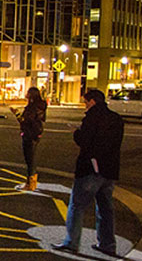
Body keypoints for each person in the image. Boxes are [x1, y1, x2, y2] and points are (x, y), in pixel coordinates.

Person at [53, 90, 124, 257]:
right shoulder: (116, 118)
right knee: (106, 208)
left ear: (92, 101)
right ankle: (107, 244)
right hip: (110, 169)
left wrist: (76, 133)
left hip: (91, 168)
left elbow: (85, 141)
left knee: (77, 206)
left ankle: (71, 242)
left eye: (86, 102)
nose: (85, 105)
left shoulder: (92, 118)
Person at [13, 87, 47, 191]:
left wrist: (16, 113)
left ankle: (30, 184)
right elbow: (41, 119)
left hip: (29, 133)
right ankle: (32, 182)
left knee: (29, 159)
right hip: (36, 133)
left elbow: (25, 120)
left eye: (28, 92)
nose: (26, 94)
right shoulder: (41, 106)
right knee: (31, 158)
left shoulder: (32, 107)